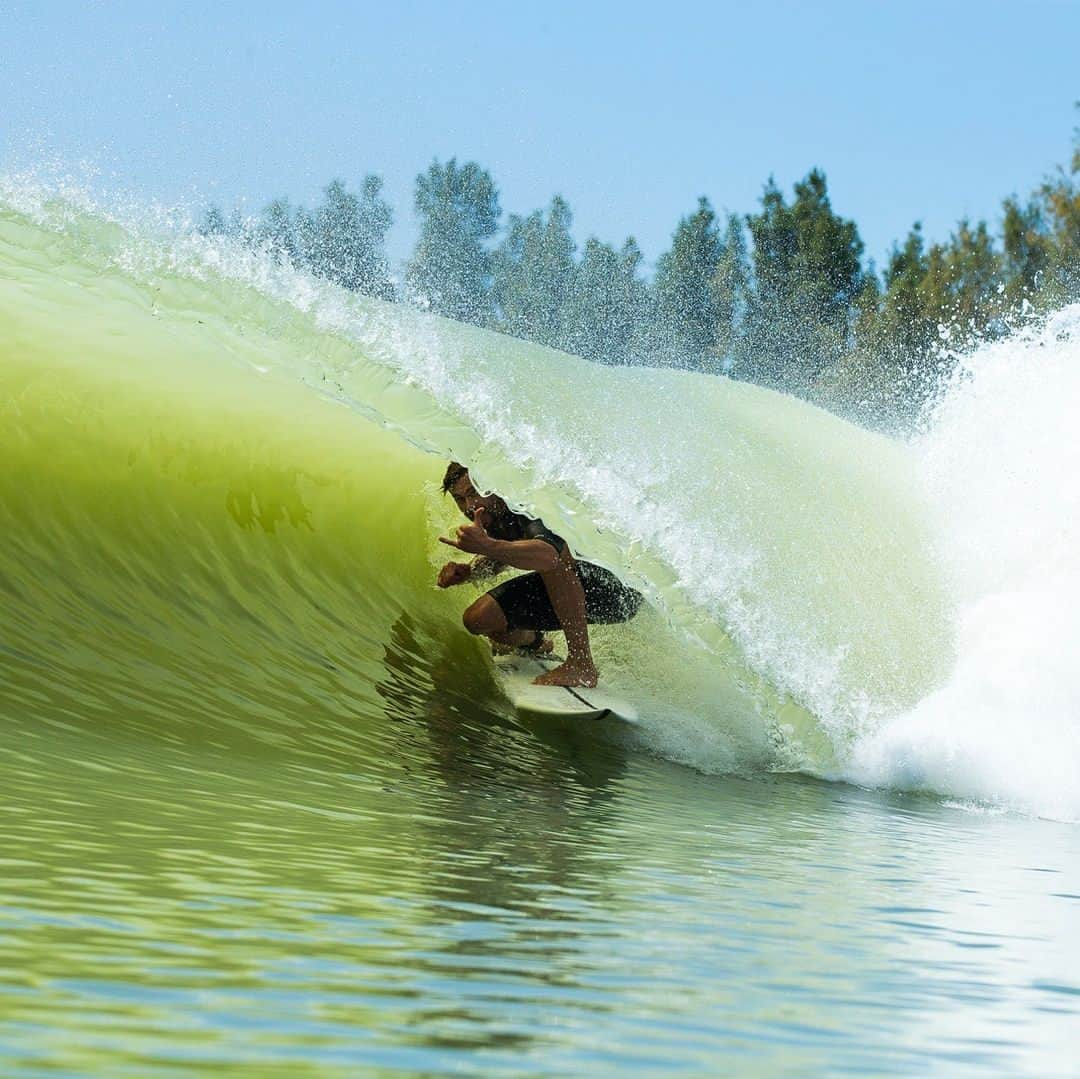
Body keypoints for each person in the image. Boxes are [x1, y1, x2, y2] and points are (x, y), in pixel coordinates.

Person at [436, 462, 642, 688]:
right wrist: (469, 573)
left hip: (616, 590)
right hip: (586, 590)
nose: (469, 505)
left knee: (552, 558)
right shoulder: (493, 513)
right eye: (460, 499)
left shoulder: (526, 505)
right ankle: (536, 643)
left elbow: (549, 556)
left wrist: (488, 546)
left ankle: (581, 664)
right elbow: (510, 550)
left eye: (474, 492)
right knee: (478, 620)